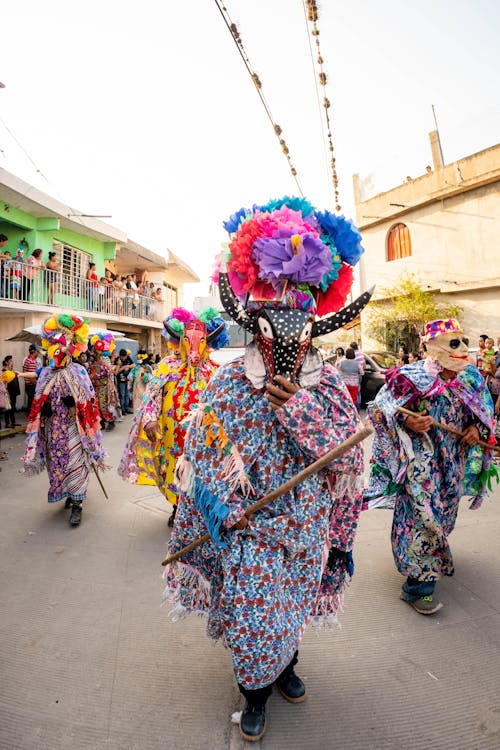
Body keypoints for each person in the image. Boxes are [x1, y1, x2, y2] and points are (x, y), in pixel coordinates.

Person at [162, 196, 372, 741]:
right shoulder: (229, 384)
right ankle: (254, 690)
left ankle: (287, 665)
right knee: (255, 617)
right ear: (255, 321)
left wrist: (297, 411)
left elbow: (347, 462)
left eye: (298, 316)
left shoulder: (325, 386)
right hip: (247, 525)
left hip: (305, 524)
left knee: (291, 605)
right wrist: (219, 508)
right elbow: (201, 454)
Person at [365, 318, 496, 616]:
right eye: (453, 343)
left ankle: (432, 556)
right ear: (431, 347)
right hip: (419, 463)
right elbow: (380, 409)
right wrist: (408, 419)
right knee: (423, 517)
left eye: (463, 342)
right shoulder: (409, 377)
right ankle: (418, 586)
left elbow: (483, 409)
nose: (462, 349)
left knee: (444, 512)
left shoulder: (471, 377)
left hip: (453, 460)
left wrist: (475, 429)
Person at [119, 307, 228, 526]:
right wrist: (149, 419)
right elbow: (152, 394)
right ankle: (177, 507)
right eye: (189, 341)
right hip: (172, 435)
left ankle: (199, 509)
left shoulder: (215, 370)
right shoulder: (166, 366)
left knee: (202, 471)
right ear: (181, 341)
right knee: (173, 469)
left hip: (203, 437)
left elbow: (224, 403)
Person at [21, 313, 107, 526]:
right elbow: (39, 395)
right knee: (58, 463)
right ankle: (69, 493)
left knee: (76, 463)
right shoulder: (47, 373)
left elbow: (89, 399)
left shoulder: (78, 371)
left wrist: (75, 405)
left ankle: (77, 504)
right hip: (53, 428)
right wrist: (45, 409)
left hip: (74, 428)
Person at [88, 333, 120, 430]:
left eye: (95, 351)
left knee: (104, 406)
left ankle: (111, 422)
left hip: (104, 388)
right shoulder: (92, 363)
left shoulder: (104, 362)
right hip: (95, 388)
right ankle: (101, 422)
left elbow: (108, 372)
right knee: (96, 406)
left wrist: (94, 376)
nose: (93, 353)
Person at [1, 356, 21, 427]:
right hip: (8, 392)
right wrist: (6, 392)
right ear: (6, 362)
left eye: (12, 361)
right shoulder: (4, 371)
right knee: (7, 407)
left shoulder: (11, 371)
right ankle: (7, 423)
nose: (12, 362)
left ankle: (13, 422)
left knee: (12, 407)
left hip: (13, 392)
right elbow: (4, 383)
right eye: (11, 361)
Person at [114, 348, 134, 415]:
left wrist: (128, 366)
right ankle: (122, 410)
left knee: (127, 395)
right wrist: (123, 367)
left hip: (127, 380)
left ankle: (126, 408)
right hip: (120, 381)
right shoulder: (117, 360)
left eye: (125, 357)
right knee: (122, 395)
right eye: (123, 357)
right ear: (120, 356)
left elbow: (133, 365)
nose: (125, 358)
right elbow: (116, 372)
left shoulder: (128, 358)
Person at [23, 345, 40, 414]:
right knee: (32, 401)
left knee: (30, 401)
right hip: (31, 385)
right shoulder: (31, 361)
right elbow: (32, 378)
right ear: (34, 352)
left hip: (28, 385)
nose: (38, 353)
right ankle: (31, 416)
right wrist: (38, 385)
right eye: (37, 351)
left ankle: (30, 414)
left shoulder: (28, 360)